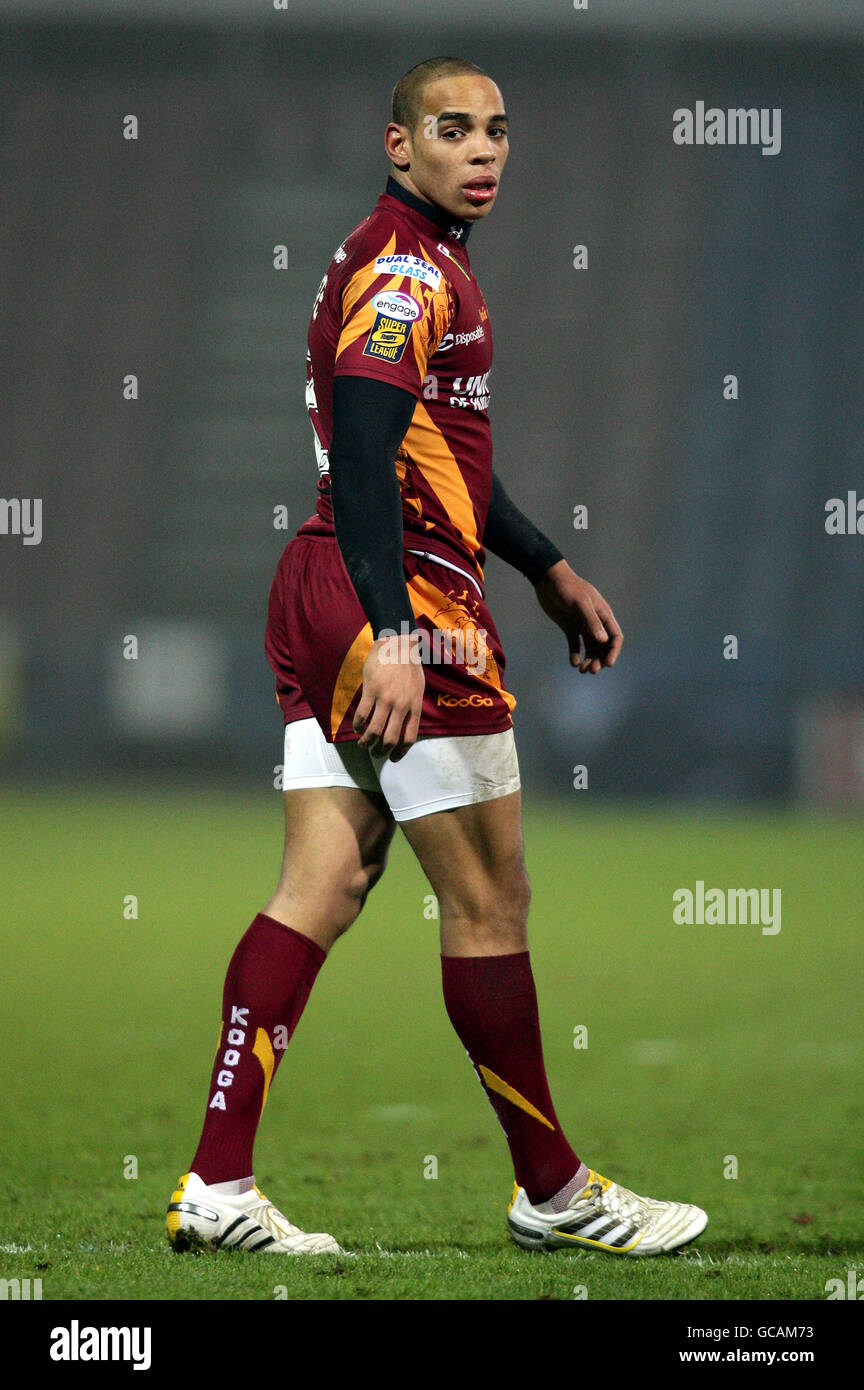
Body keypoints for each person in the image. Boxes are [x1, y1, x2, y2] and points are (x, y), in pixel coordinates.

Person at [166, 56, 707, 1258]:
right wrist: (398, 630)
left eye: (499, 130)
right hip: (401, 598)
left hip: (326, 583)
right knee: (489, 898)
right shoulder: (414, 272)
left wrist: (549, 564)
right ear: (398, 146)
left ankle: (217, 1180)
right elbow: (365, 455)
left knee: (322, 887)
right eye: (453, 129)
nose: (484, 150)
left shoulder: (404, 257)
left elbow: (435, 453)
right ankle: (555, 1190)